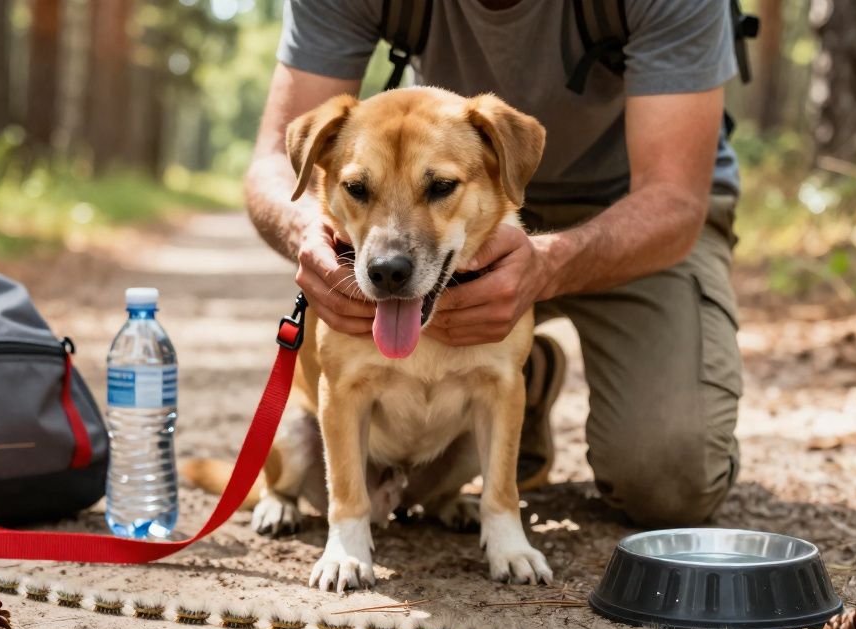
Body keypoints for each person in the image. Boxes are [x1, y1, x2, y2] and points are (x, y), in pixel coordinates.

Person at [244, 0, 743, 527]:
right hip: (458, 197)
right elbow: (276, 157)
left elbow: (676, 199)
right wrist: (309, 233)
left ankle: (512, 371)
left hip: (633, 213)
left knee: (669, 481)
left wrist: (546, 267)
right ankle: (522, 376)